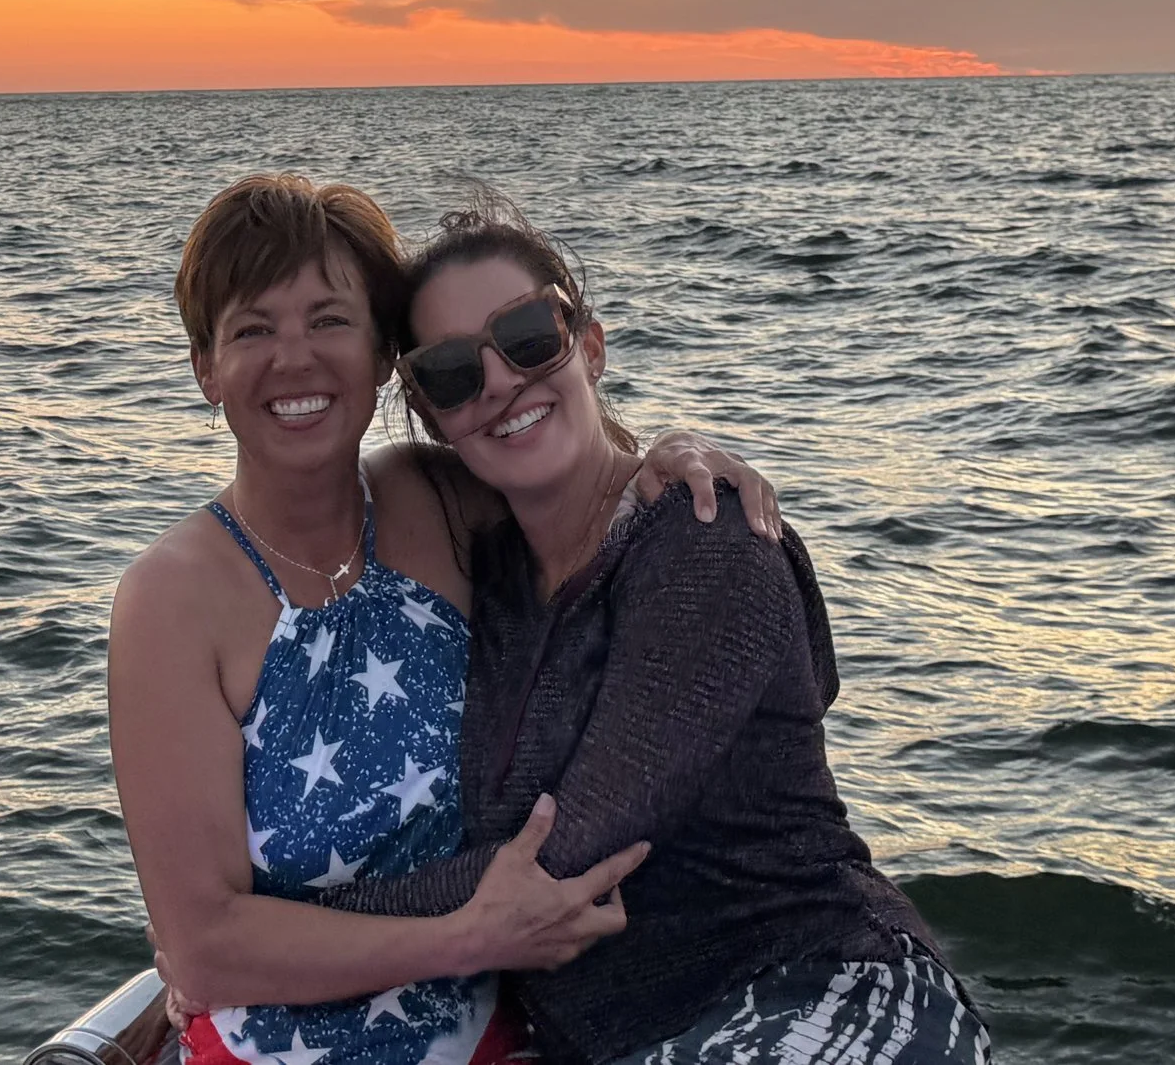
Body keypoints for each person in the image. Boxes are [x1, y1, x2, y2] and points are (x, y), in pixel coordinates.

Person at [108, 175, 784, 1065]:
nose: (296, 357)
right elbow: (204, 945)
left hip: (498, 1033)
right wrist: (472, 938)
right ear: (206, 370)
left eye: (329, 319)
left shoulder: (437, 498)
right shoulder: (169, 600)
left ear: (387, 357)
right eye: (252, 329)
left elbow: (569, 463)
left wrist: (672, 453)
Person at [317, 199, 993, 1065]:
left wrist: (279, 941)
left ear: (589, 345)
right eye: (452, 372)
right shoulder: (486, 583)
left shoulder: (702, 539)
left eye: (528, 335)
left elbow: (558, 859)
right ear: (429, 411)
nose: (499, 381)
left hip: (811, 988)